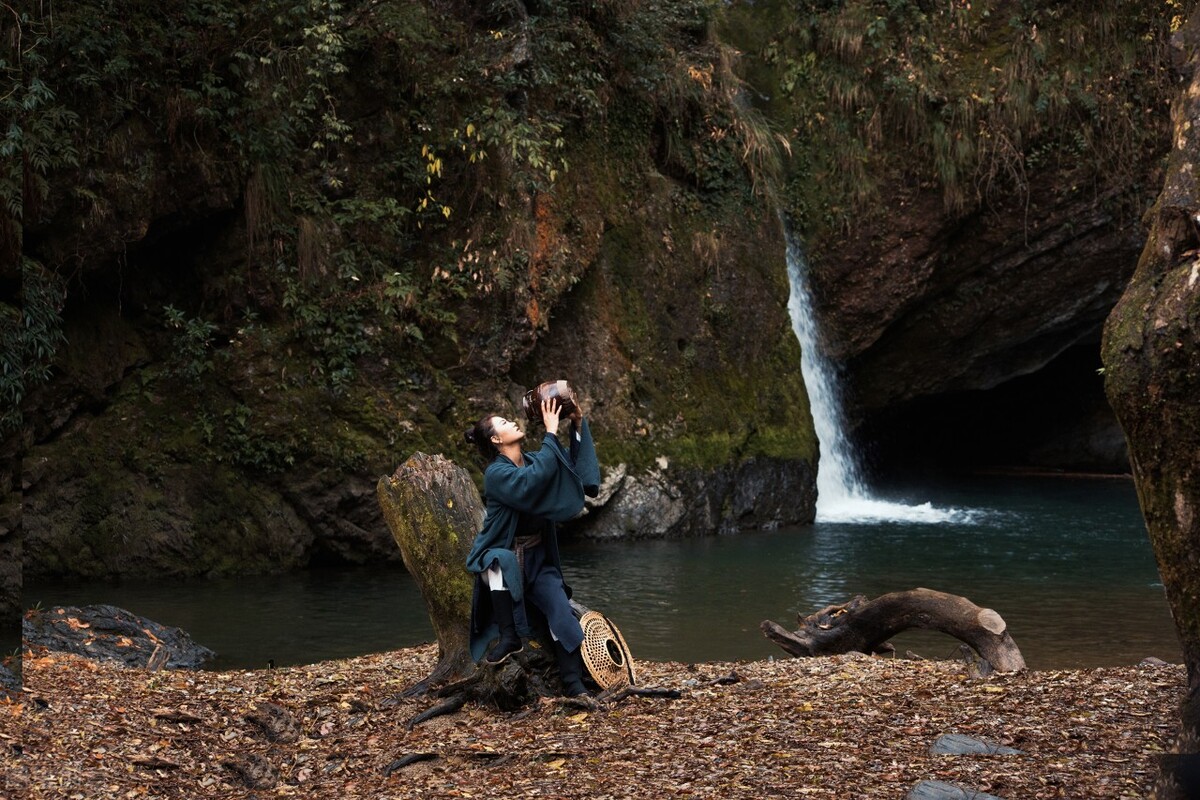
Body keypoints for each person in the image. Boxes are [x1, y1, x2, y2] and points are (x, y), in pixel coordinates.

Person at [463, 396, 600, 696]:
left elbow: (569, 467)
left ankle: (574, 685)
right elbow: (531, 483)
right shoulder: (496, 474)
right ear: (497, 439)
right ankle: (509, 636)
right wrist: (550, 432)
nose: (511, 421)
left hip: (539, 559)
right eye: (503, 423)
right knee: (498, 561)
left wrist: (576, 422)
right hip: (503, 551)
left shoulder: (537, 459)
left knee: (562, 616)